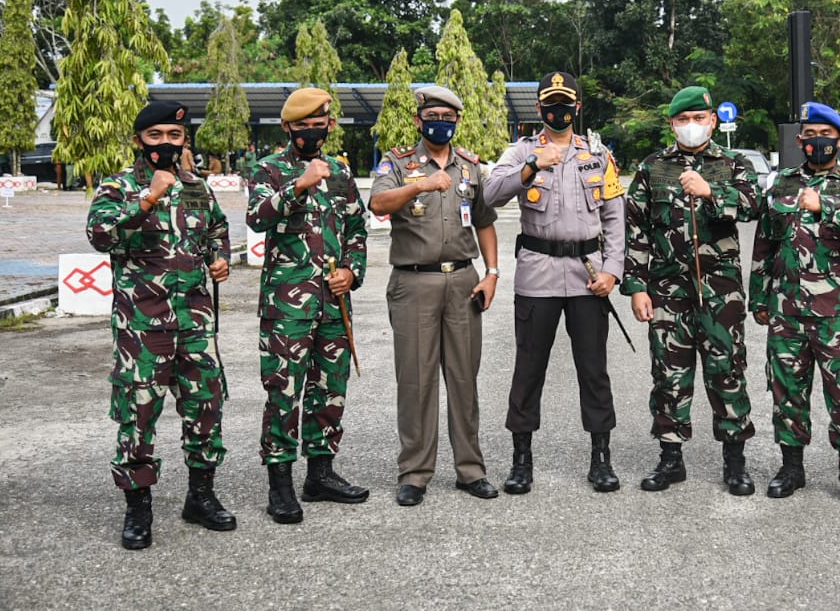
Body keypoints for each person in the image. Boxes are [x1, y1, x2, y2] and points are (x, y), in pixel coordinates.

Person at [85, 99, 234, 550]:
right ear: (139, 141)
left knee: (205, 406)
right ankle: (137, 507)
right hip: (143, 325)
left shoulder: (196, 186)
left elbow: (216, 229)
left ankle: (201, 496)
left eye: (174, 137)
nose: (166, 145)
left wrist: (220, 257)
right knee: (139, 415)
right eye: (156, 137)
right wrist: (149, 196)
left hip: (195, 319)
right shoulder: (118, 187)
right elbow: (100, 236)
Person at [483, 71, 627, 495]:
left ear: (577, 108)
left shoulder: (598, 156)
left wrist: (613, 270)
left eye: (566, 104)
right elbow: (489, 195)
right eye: (551, 104)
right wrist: (530, 167)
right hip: (537, 273)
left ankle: (600, 458)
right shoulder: (522, 151)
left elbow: (615, 217)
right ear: (540, 109)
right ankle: (521, 460)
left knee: (594, 369)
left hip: (587, 277)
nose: (558, 111)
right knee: (528, 370)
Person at [622, 85, 761, 496]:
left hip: (721, 292)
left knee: (727, 372)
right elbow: (636, 230)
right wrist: (635, 287)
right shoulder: (652, 168)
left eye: (698, 119)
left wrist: (711, 192)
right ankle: (670, 459)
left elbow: (755, 206)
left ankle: (735, 462)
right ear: (671, 124)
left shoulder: (733, 163)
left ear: (713, 121)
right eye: (682, 120)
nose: (691, 127)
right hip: (667, 290)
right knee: (668, 374)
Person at [369, 85, 501, 507]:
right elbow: (378, 203)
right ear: (418, 119)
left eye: (448, 116)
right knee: (416, 382)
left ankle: (470, 469)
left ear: (457, 121)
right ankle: (415, 472)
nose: (440, 123)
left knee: (464, 380)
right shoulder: (398, 162)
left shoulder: (469, 166)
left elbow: (484, 222)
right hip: (414, 282)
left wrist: (493, 272)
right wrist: (421, 185)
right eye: (433, 116)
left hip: (463, 281)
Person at [246, 88, 370, 524]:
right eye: (306, 126)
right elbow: (257, 218)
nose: (315, 131)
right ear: (288, 128)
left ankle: (320, 474)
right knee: (283, 394)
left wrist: (352, 271)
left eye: (323, 124)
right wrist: (297, 186)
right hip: (287, 307)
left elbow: (357, 225)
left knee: (330, 389)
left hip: (334, 303)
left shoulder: (339, 171)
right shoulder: (268, 169)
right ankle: (279, 486)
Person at [750, 102, 840, 503]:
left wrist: (825, 206)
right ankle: (791, 467)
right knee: (787, 391)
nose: (816, 142)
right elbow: (765, 242)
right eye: (809, 136)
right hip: (787, 310)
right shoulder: (781, 184)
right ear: (799, 140)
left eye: (825, 135)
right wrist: (760, 295)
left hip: (836, 312)